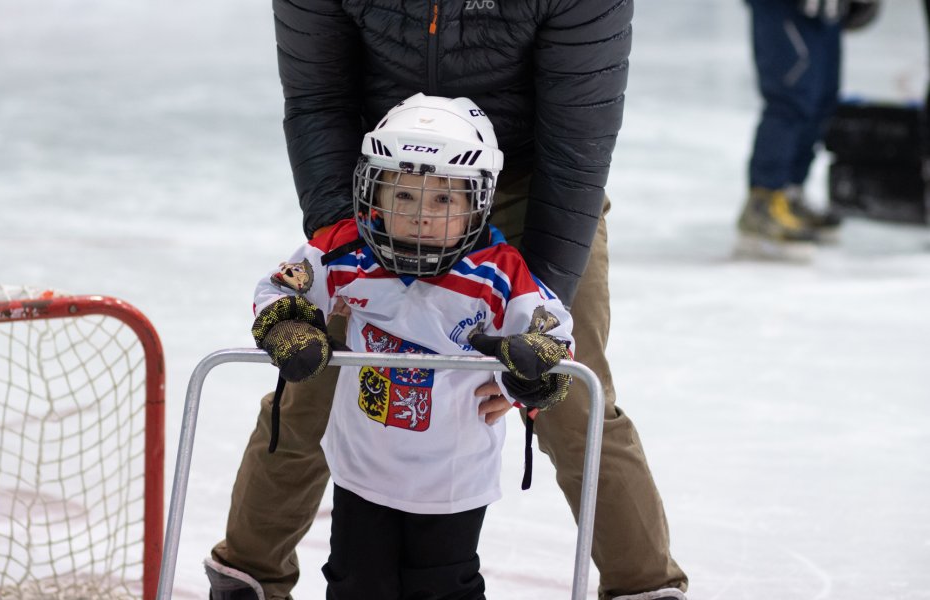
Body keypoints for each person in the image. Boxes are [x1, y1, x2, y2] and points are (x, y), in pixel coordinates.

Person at [207, 1, 690, 599]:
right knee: (318, 377)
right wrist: (358, 253)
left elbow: (577, 148)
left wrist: (532, 338)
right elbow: (318, 103)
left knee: (570, 395)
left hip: (525, 185)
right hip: (388, 188)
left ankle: (644, 587)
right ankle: (249, 576)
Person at [241, 93, 574, 599]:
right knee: (355, 585)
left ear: (476, 203)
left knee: (443, 588)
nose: (422, 216)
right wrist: (289, 326)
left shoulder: (496, 273)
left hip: (453, 481)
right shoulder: (347, 249)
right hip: (361, 471)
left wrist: (532, 371)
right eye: (404, 197)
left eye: (444, 199)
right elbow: (279, 288)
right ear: (374, 193)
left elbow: (554, 334)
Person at [736, 0, 881, 259]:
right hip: (785, 7)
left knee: (822, 99)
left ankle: (790, 192)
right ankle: (764, 200)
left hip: (827, 9)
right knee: (792, 99)